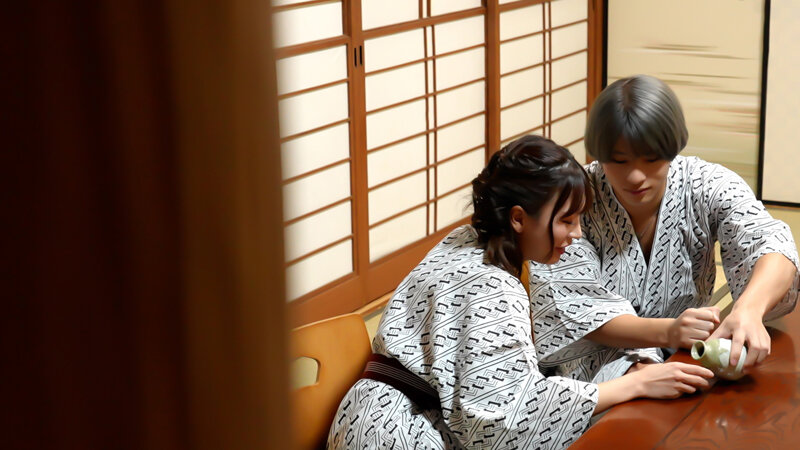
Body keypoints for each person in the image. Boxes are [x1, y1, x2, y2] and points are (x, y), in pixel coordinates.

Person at [327, 135, 714, 450]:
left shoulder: (464, 241)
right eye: (566, 220)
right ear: (518, 218)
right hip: (400, 434)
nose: (577, 234)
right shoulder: (492, 285)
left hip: (364, 418)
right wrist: (635, 384)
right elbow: (505, 421)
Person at [528, 75, 800, 384]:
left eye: (651, 159)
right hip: (597, 362)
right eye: (619, 161)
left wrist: (748, 309)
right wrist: (665, 335)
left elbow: (771, 243)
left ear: (672, 148)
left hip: (685, 354)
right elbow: (572, 306)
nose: (635, 176)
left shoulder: (705, 184)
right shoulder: (575, 198)